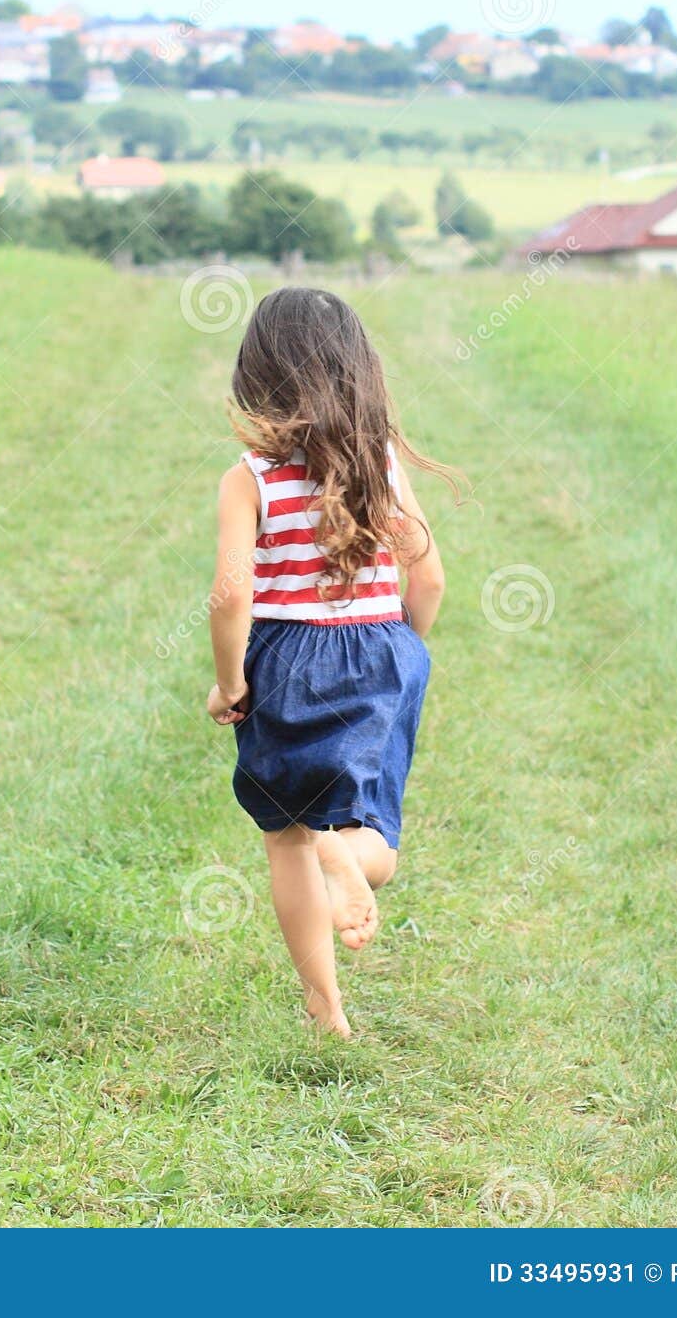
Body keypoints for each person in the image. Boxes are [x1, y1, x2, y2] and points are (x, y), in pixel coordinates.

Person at [207, 287, 455, 1037]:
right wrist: (406, 642)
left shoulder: (249, 478)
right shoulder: (381, 466)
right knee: (371, 827)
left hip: (284, 657)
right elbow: (431, 574)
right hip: (380, 649)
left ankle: (325, 1006)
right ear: (360, 372)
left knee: (288, 837)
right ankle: (349, 854)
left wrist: (230, 683)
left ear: (260, 375)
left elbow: (228, 596)